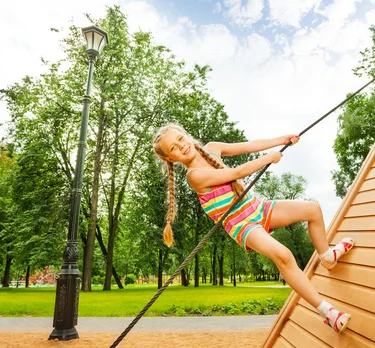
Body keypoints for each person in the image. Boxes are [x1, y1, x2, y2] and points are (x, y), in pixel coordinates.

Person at [152, 122, 355, 334]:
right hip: (241, 224)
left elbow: (250, 145)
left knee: (313, 210)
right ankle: (327, 312)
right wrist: (269, 158)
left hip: (257, 207)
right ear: (170, 158)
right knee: (283, 255)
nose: (181, 146)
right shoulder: (194, 176)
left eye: (180, 139)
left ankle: (327, 257)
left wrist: (282, 139)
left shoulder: (213, 147)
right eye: (173, 148)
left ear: (186, 136)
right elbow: (237, 172)